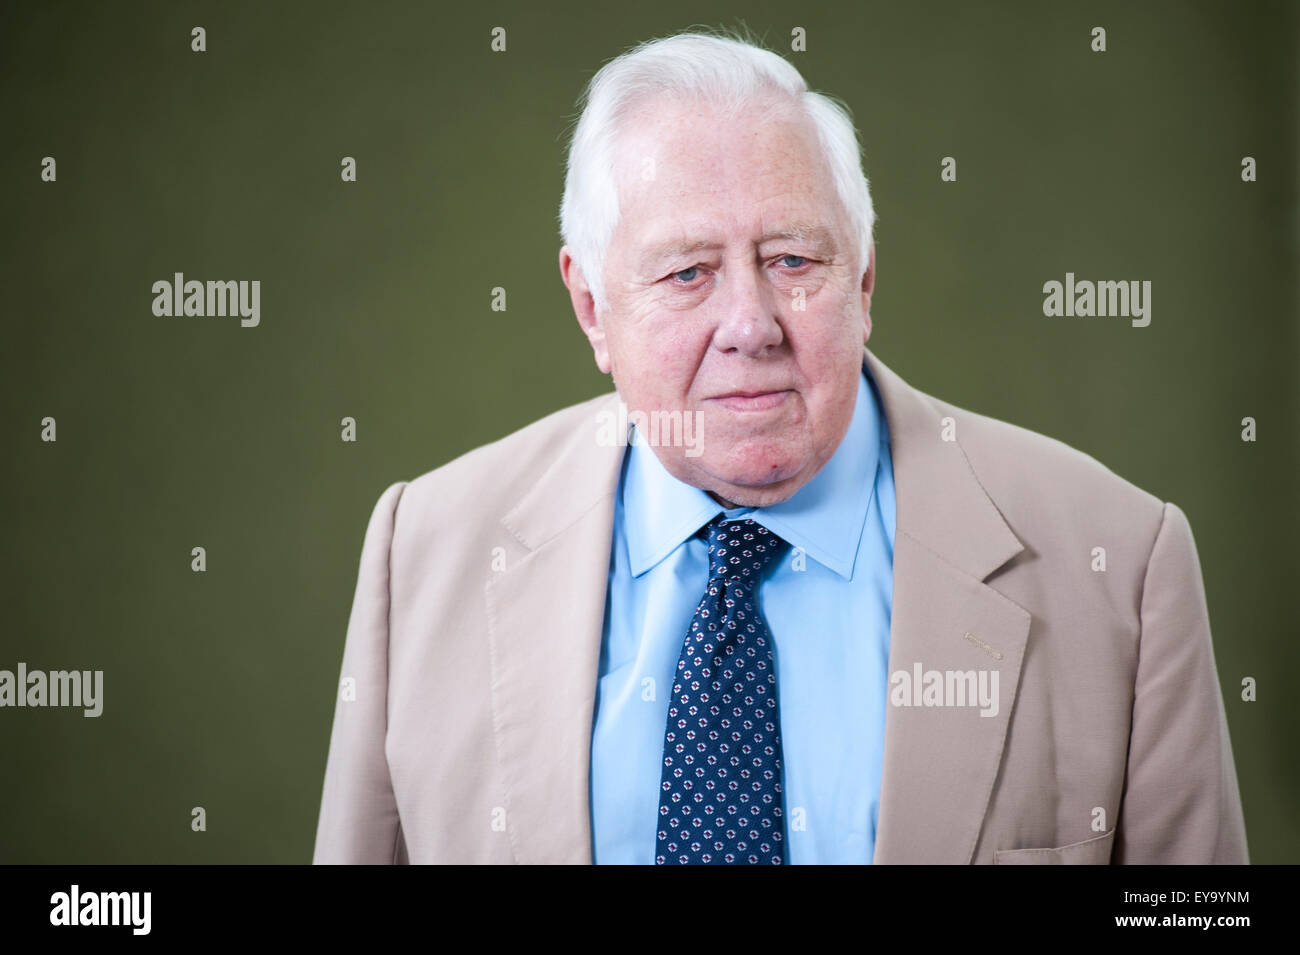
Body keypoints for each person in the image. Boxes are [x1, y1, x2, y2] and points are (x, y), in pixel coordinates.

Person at [312, 30, 1248, 865]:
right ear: (591, 307)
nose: (748, 325)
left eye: (793, 260)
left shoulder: (1121, 563)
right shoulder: (422, 550)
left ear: (864, 277)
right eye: (687, 273)